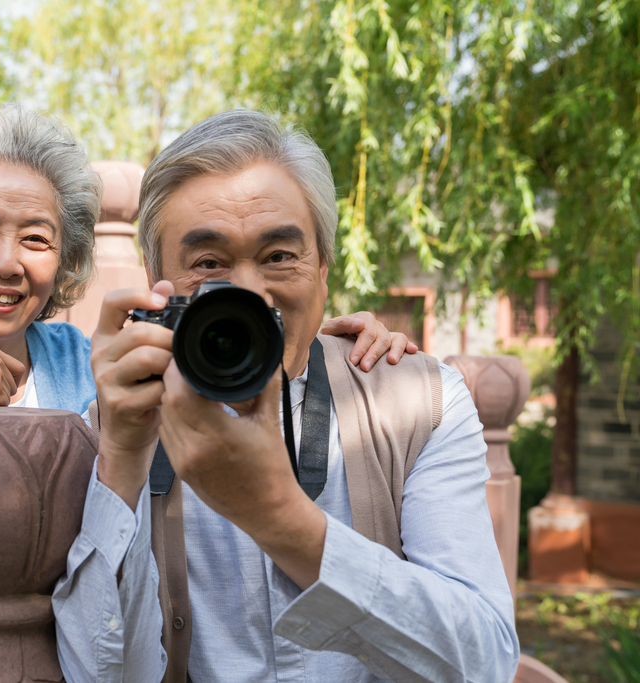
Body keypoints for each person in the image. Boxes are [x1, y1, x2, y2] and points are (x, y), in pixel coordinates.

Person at [0, 104, 411, 675]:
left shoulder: (86, 366)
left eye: (36, 238)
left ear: (61, 265)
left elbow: (228, 343)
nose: (7, 260)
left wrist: (328, 347)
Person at [53, 110, 520, 683]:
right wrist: (123, 460)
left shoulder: (417, 404)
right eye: (209, 263)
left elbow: (486, 662)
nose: (249, 291)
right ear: (157, 279)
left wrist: (284, 522)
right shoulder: (115, 421)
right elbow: (98, 674)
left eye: (279, 256)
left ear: (323, 267)